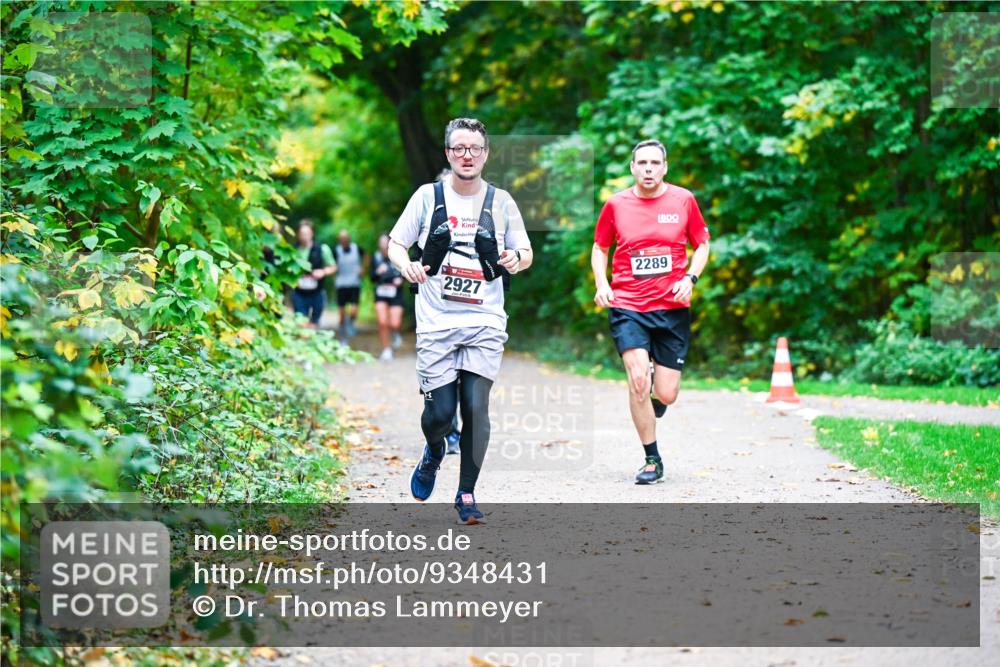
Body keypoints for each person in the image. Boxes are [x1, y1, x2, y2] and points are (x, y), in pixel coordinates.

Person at [388, 117, 532, 524]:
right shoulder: (427, 197)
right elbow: (397, 243)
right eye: (459, 149)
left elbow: (526, 253)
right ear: (448, 153)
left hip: (485, 319)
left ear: (485, 154)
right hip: (436, 322)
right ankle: (434, 450)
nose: (467, 156)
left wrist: (514, 261)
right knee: (438, 415)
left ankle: (466, 493)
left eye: (475, 149)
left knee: (476, 406)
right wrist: (408, 266)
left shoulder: (502, 201)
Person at [591, 139, 711, 485]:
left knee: (667, 393)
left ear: (664, 167)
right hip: (628, 305)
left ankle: (657, 393)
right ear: (632, 168)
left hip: (672, 307)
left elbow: (702, 243)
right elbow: (600, 248)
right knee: (638, 378)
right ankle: (651, 459)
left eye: (654, 163)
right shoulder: (616, 205)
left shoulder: (683, 200)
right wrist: (602, 283)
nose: (648, 169)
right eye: (641, 162)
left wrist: (691, 277)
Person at [291, 220, 336, 328]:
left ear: (312, 234)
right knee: (301, 324)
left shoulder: (322, 249)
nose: (304, 236)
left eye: (307, 233)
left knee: (313, 324)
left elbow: (333, 267)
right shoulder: (292, 250)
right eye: (302, 234)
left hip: (317, 292)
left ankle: (310, 342)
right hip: (299, 293)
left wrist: (323, 272)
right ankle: (304, 341)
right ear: (298, 234)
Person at [371, 233, 405, 361]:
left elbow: (406, 270)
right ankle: (386, 349)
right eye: (381, 243)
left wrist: (401, 279)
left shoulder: (398, 256)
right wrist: (377, 272)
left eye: (385, 243)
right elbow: (371, 277)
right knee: (382, 322)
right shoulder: (376, 257)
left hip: (396, 293)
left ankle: (395, 333)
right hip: (381, 293)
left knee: (394, 323)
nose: (383, 245)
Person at [333, 229, 364, 339]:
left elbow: (366, 256)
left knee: (354, 310)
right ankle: (342, 334)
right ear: (339, 240)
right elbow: (331, 263)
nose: (344, 240)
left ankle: (351, 322)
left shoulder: (356, 248)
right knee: (341, 314)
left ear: (349, 238)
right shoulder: (336, 251)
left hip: (354, 283)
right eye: (341, 239)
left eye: (345, 238)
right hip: (341, 284)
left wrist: (362, 268)